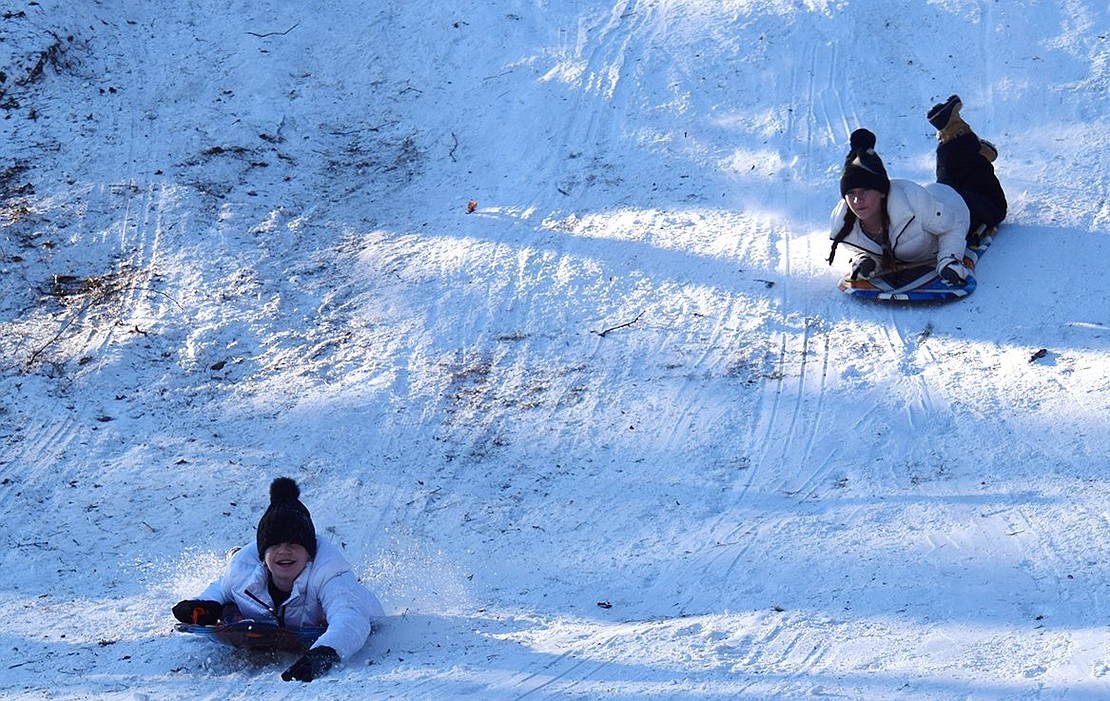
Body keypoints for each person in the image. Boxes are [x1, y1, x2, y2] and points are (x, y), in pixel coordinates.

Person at [172, 477, 384, 682]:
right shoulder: (241, 572)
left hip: (358, 611)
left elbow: (351, 619)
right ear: (263, 555)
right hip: (268, 597)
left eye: (293, 544)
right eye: (274, 546)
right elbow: (222, 588)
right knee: (233, 597)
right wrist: (204, 606)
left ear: (309, 553)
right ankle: (239, 554)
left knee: (348, 600)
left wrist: (326, 651)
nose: (284, 551)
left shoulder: (330, 575)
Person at [828, 95, 1007, 284]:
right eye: (851, 193)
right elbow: (861, 247)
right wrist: (865, 260)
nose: (857, 200)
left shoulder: (911, 205)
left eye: (864, 191)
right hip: (932, 200)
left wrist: (949, 259)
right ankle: (962, 146)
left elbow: (953, 226)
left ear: (882, 191)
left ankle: (961, 138)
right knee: (955, 177)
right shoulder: (842, 222)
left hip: (956, 206)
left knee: (994, 203)